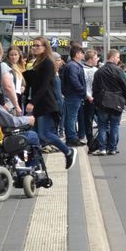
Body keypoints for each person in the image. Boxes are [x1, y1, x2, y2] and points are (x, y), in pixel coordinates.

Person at [24, 38, 76, 168]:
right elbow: (33, 81)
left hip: (45, 104)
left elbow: (44, 85)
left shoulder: (47, 62)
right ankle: (35, 165)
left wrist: (32, 102)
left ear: (45, 47)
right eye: (33, 45)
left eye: (37, 46)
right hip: (40, 104)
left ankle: (68, 151)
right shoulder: (38, 62)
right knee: (35, 136)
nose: (34, 48)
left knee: (44, 134)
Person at [91, 49, 126, 156]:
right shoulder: (118, 71)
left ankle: (102, 148)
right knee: (114, 125)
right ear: (112, 57)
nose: (118, 60)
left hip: (103, 102)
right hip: (117, 101)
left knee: (102, 126)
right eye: (118, 57)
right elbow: (125, 86)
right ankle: (112, 148)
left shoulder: (99, 71)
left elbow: (94, 88)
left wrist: (97, 101)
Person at [61, 45, 87, 147]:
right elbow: (74, 80)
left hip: (72, 94)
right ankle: (72, 138)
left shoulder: (72, 65)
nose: (83, 55)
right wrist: (82, 91)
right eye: (81, 53)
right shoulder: (73, 66)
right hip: (73, 95)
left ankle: (71, 137)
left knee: (71, 117)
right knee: (72, 117)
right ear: (77, 54)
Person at [0, 41, 20, 114]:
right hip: (7, 104)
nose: (14, 57)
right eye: (11, 55)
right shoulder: (3, 65)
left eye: (16, 54)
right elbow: (7, 86)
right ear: (1, 52)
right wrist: (17, 105)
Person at [80, 49, 99, 146]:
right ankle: (90, 141)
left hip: (97, 99)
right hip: (88, 99)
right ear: (90, 59)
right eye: (96, 58)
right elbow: (82, 86)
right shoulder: (82, 70)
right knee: (88, 121)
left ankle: (99, 141)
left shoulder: (96, 70)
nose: (97, 60)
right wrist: (88, 96)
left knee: (101, 121)